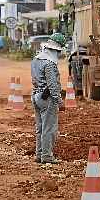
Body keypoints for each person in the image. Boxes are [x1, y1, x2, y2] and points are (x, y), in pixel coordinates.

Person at [31, 32, 66, 164]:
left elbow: (34, 80)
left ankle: (39, 154)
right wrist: (59, 101)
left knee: (40, 128)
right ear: (56, 49)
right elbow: (52, 85)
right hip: (46, 99)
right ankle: (47, 156)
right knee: (49, 129)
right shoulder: (50, 64)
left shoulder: (36, 59)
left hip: (36, 96)